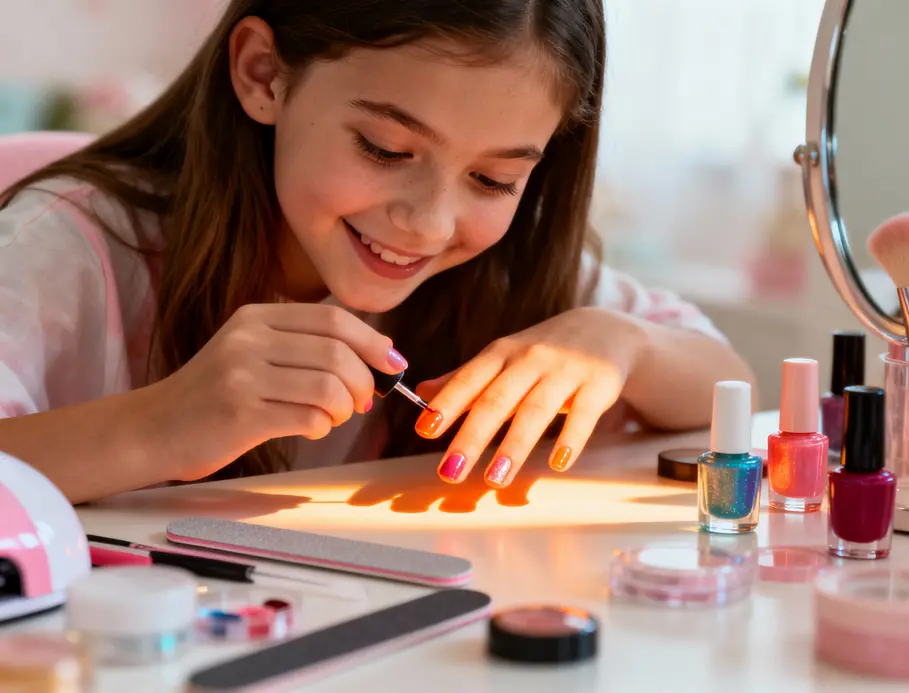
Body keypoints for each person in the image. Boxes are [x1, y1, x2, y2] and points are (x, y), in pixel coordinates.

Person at [0, 0, 755, 505]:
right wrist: (160, 425)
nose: (428, 225)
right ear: (264, 74)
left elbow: (731, 388)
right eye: (385, 147)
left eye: (494, 178)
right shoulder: (68, 243)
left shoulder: (499, 263)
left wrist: (620, 343)